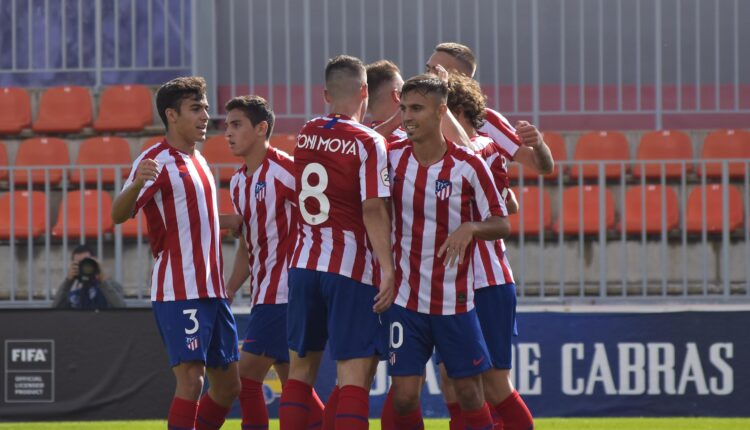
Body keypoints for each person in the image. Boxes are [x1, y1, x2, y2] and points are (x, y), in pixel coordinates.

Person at [428, 42, 554, 430]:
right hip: (438, 278)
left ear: (462, 79)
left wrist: (539, 143)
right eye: (430, 68)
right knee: (452, 379)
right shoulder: (419, 124)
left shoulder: (483, 127)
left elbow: (538, 166)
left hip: (482, 274)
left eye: (440, 71)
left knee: (490, 382)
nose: (432, 75)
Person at [111, 76, 241, 430]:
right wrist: (137, 183)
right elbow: (117, 214)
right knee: (192, 381)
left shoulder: (199, 161)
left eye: (206, 109)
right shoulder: (155, 160)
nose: (205, 117)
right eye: (196, 109)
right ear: (172, 115)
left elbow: (196, 217)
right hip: (179, 288)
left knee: (229, 386)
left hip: (213, 289)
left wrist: (232, 221)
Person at [387, 74, 510, 430]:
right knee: (404, 396)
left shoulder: (468, 166)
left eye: (416, 109)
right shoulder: (391, 157)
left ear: (441, 111)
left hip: (454, 301)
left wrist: (471, 227)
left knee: (470, 393)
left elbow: (501, 222)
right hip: (405, 301)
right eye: (404, 108)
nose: (407, 117)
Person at [280, 54, 394, 430]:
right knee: (354, 375)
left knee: (299, 372)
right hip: (348, 267)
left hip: (302, 264)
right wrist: (389, 269)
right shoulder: (369, 141)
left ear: (325, 93)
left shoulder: (307, 131)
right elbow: (374, 209)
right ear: (365, 91)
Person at [223, 95, 324, 430]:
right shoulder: (238, 182)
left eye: (236, 125)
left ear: (261, 128)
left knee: (245, 379)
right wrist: (228, 290)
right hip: (264, 295)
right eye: (227, 126)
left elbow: (322, 218)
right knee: (297, 387)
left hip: (286, 294)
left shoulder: (285, 171)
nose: (228, 133)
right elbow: (247, 249)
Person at [52, 244, 126, 309]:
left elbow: (121, 309)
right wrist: (68, 281)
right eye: (79, 264)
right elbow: (54, 311)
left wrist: (102, 278)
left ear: (94, 262)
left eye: (86, 263)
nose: (83, 267)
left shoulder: (111, 285)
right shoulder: (71, 290)